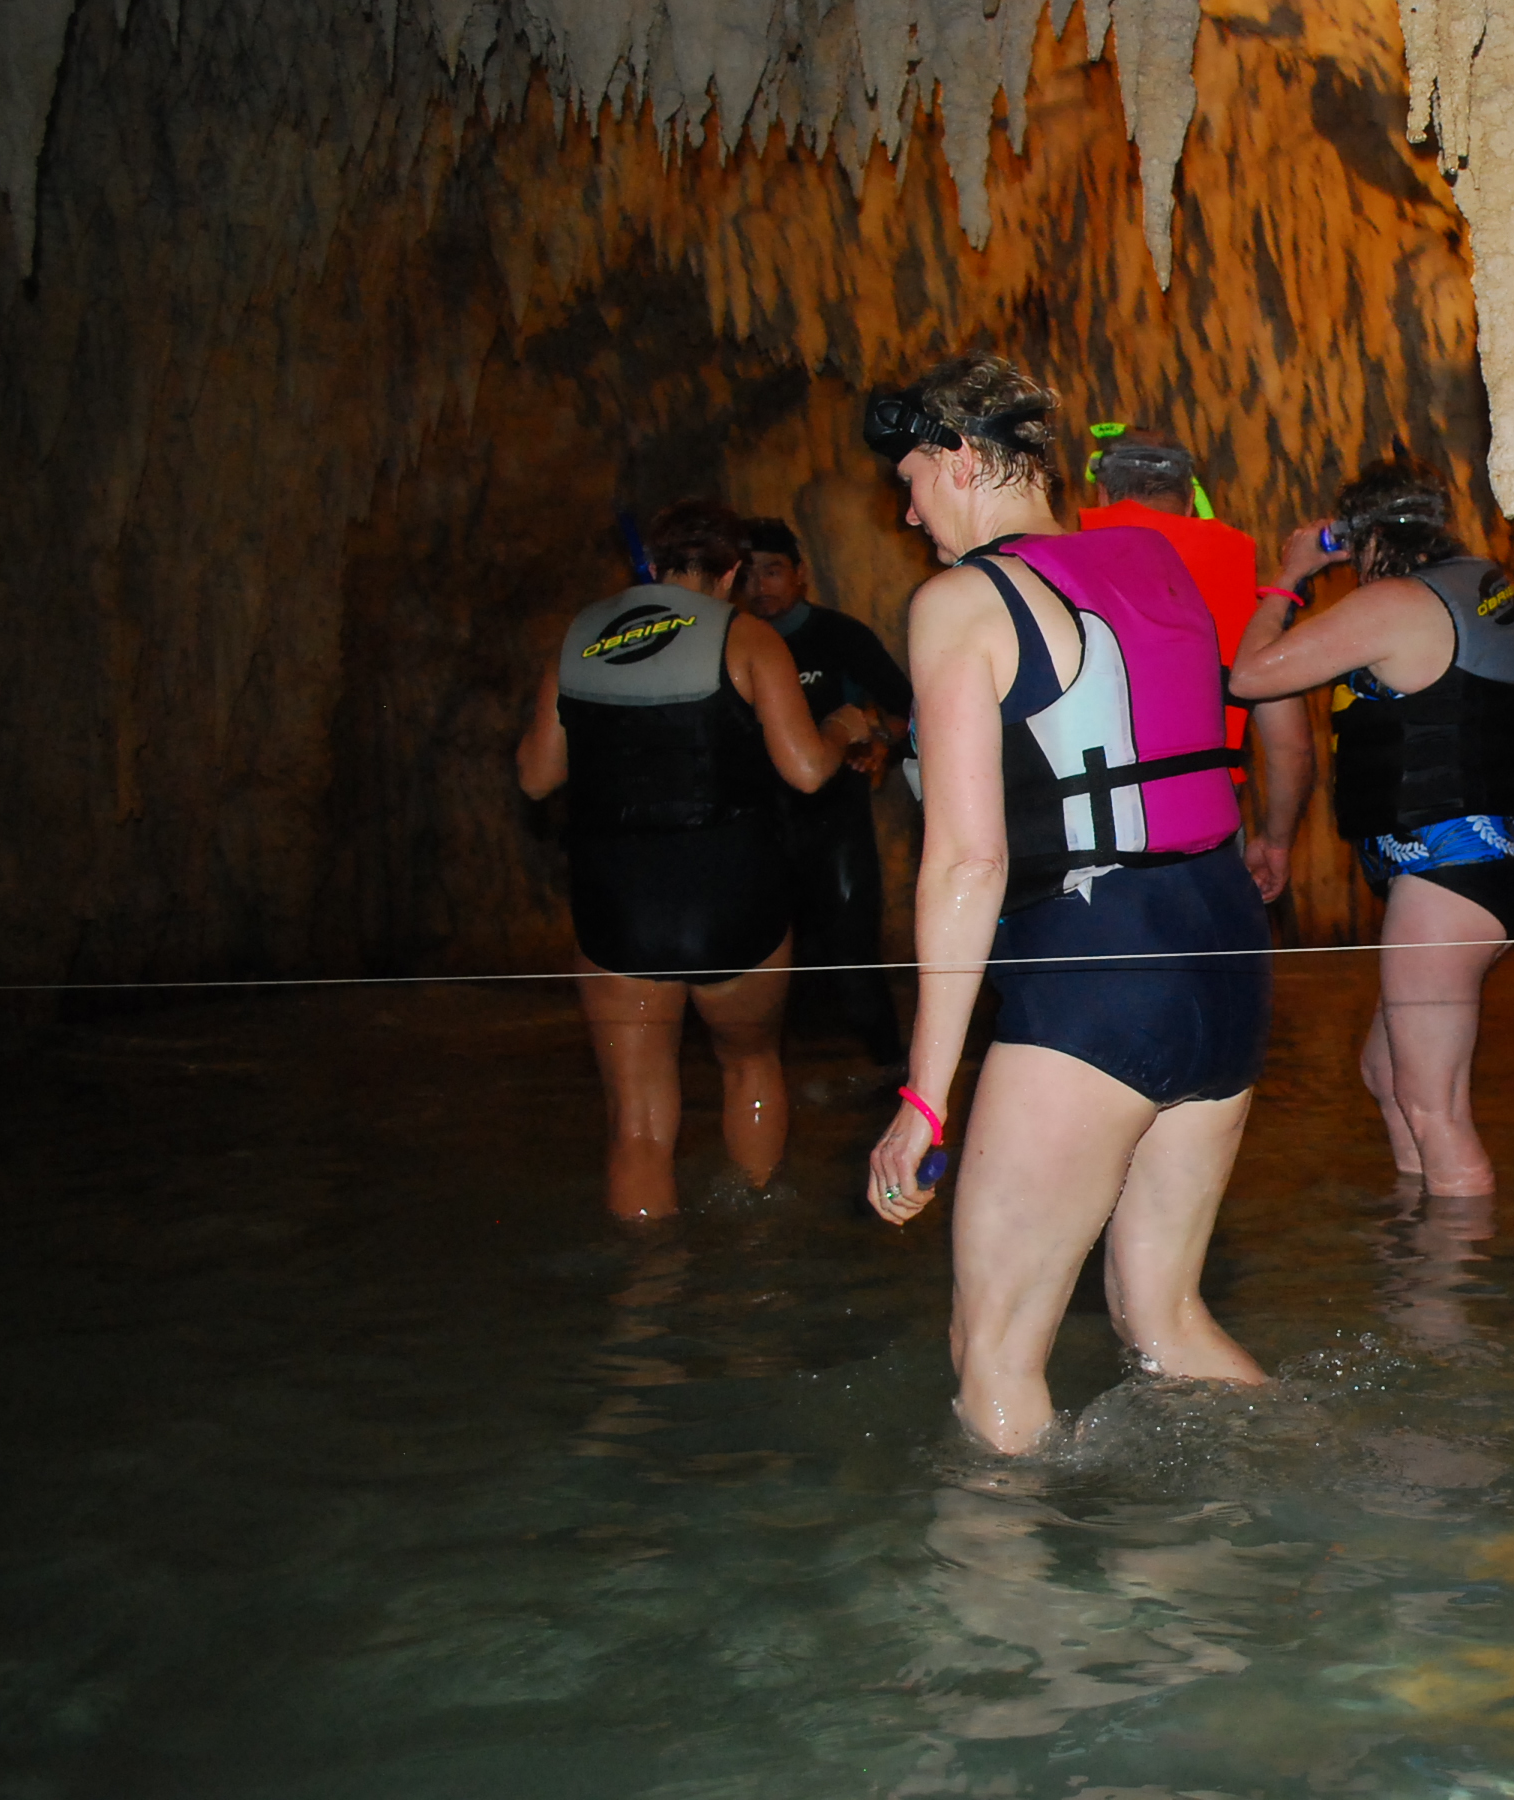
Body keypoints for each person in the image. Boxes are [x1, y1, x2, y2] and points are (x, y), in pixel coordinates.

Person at [858, 354, 1271, 1455]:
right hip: (1225, 951)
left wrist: (924, 1098)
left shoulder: (962, 603)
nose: (907, 513)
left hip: (1097, 966)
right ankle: (1301, 1499)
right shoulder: (1156, 559)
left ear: (959, 459)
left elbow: (966, 862)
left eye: (911, 481)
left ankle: (1002, 1572)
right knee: (1165, 1319)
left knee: (992, 1356)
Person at [517, 502, 863, 1220]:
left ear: (651, 565)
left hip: (619, 898)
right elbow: (805, 771)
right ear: (732, 572)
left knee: (637, 1123)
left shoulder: (581, 635)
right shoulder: (747, 637)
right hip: (731, 892)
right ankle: (756, 1245)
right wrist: (842, 727)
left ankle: (648, 1278)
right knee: (749, 1062)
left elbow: (536, 776)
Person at [1228, 456, 1514, 1197]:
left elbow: (1250, 675)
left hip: (1446, 874)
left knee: (1436, 1107)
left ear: (1363, 537)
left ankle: (1461, 1264)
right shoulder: (1483, 588)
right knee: (1387, 1071)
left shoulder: (1399, 603)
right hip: (1491, 871)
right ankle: (1417, 1235)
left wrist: (1288, 578)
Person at [1078, 432, 1316, 902]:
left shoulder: (1055, 570)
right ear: (1190, 501)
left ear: (1102, 495)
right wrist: (1276, 841)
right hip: (1209, 825)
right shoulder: (1243, 589)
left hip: (1089, 828)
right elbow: (1291, 747)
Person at [736, 516, 913, 1064]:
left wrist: (880, 739)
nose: (760, 585)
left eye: (772, 571)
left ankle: (890, 1069)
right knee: (763, 964)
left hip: (834, 820)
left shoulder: (839, 637)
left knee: (852, 953)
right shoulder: (731, 644)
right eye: (748, 574)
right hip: (755, 824)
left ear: (800, 574)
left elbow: (906, 710)